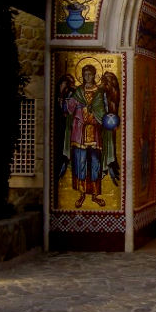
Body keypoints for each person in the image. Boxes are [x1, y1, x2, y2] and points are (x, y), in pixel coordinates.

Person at [62, 64, 110, 208]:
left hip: (94, 132)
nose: (87, 77)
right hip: (79, 133)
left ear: (94, 75)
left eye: (90, 74)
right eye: (85, 74)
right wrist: (64, 97)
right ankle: (81, 193)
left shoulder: (99, 93)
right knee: (80, 163)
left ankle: (95, 194)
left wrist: (97, 116)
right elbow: (68, 109)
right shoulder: (78, 92)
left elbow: (104, 112)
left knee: (95, 164)